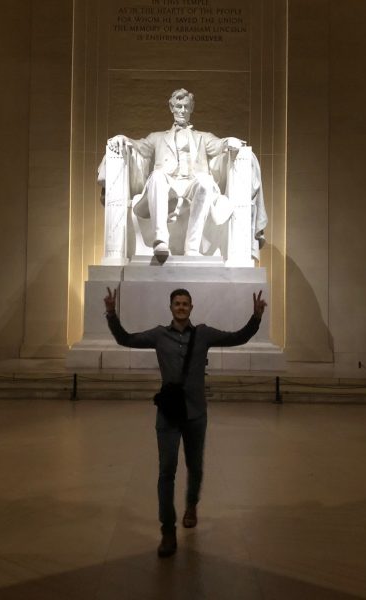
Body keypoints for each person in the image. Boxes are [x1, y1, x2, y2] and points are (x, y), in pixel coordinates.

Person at [104, 286, 267, 557]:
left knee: (195, 467)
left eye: (185, 304)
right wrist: (111, 314)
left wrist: (256, 317)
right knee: (166, 472)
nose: (181, 307)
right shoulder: (159, 335)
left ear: (191, 308)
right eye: (177, 304)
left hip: (195, 413)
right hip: (168, 413)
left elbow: (238, 337)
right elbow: (125, 339)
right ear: (171, 308)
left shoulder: (203, 334)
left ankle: (191, 504)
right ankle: (167, 530)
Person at [106, 88, 247, 258]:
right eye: (179, 106)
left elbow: (218, 144)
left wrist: (229, 141)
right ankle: (161, 240)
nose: (182, 111)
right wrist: (124, 138)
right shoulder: (157, 137)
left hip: (192, 183)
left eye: (186, 107)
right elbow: (140, 146)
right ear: (172, 108)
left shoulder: (203, 137)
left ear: (191, 109)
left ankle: (192, 247)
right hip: (168, 182)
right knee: (157, 175)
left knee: (205, 181)